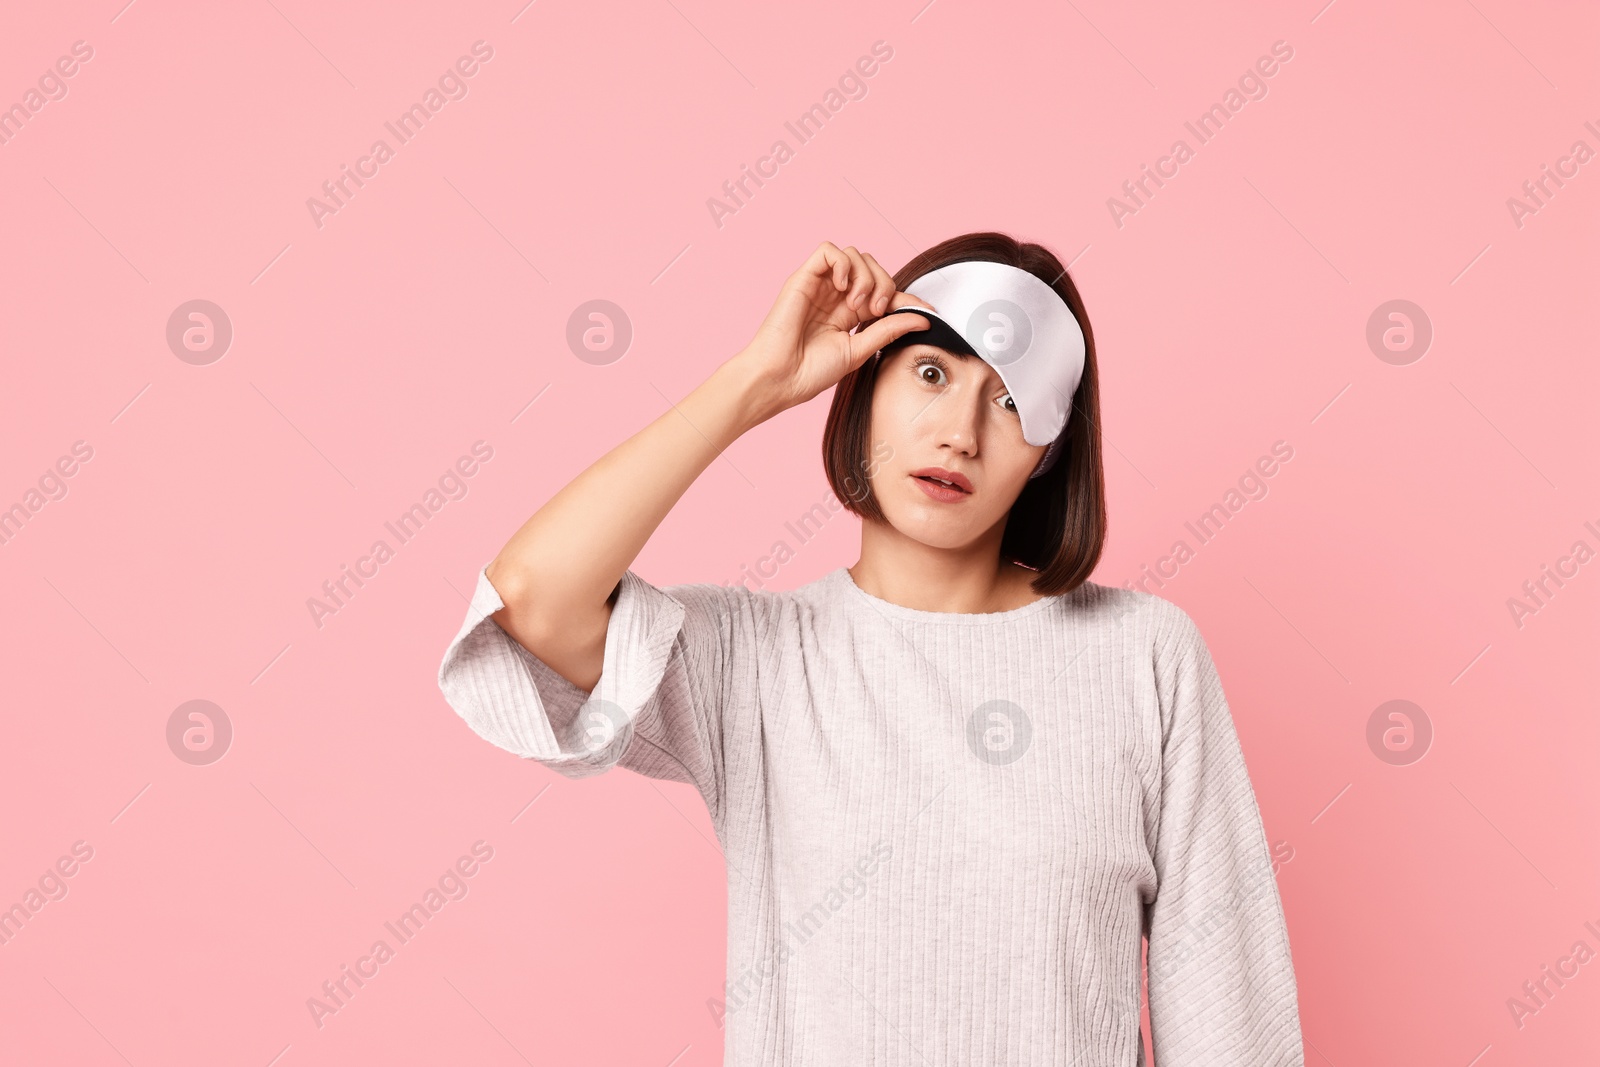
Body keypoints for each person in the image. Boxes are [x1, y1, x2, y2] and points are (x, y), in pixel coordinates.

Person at [437, 233, 1306, 1065]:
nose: (960, 432)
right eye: (931, 373)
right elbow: (532, 603)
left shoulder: (1145, 657)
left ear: (1048, 451)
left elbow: (1227, 1006)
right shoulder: (756, 660)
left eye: (1011, 400)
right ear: (864, 380)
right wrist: (754, 382)